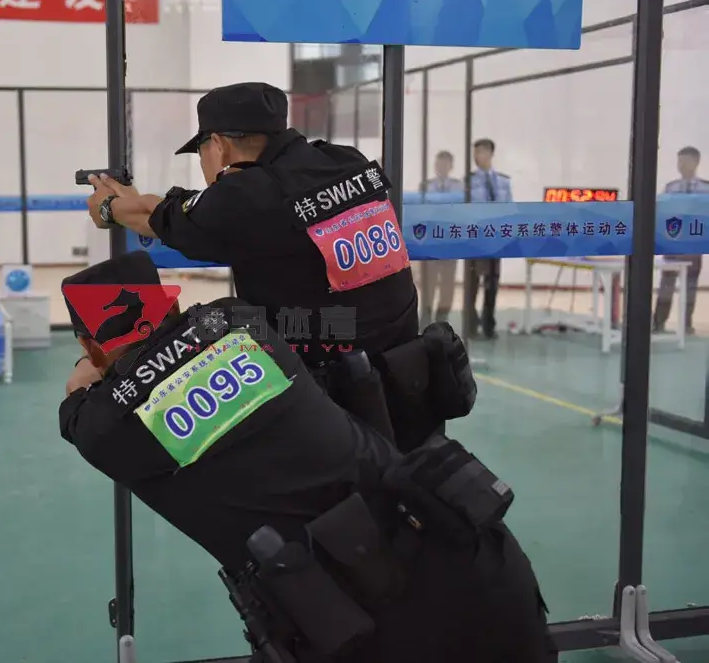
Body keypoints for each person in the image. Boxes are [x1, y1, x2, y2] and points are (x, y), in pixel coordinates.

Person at [59, 251, 555, 663]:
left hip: (368, 630)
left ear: (89, 344)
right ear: (171, 304)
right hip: (478, 566)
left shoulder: (104, 429)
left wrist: (88, 374)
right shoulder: (235, 318)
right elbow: (195, 332)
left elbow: (78, 403)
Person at [82, 82, 419, 426]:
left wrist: (109, 206)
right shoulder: (345, 159)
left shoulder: (247, 197)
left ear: (219, 145)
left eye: (201, 151)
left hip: (335, 403)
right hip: (409, 378)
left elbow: (168, 215)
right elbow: (218, 208)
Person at [654, 146, 709, 334]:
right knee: (666, 284)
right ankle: (658, 322)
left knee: (690, 286)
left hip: (694, 244)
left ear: (696, 162)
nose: (681, 165)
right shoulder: (671, 188)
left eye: (685, 161)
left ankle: (686, 324)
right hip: (673, 243)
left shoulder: (705, 189)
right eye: (679, 161)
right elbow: (661, 212)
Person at [468, 139, 512, 340]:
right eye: (476, 153)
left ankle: (488, 324)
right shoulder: (469, 181)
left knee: (492, 283)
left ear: (490, 154)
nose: (478, 157)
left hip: (496, 239)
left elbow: (509, 209)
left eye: (481, 152)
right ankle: (471, 323)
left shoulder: (503, 181)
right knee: (473, 283)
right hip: (476, 239)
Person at [419, 151, 464, 325]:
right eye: (438, 164)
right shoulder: (425, 186)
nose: (441, 167)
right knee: (428, 280)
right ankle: (426, 313)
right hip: (430, 240)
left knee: (448, 281)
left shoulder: (459, 187)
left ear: (451, 166)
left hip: (450, 240)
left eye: (444, 164)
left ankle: (442, 315)